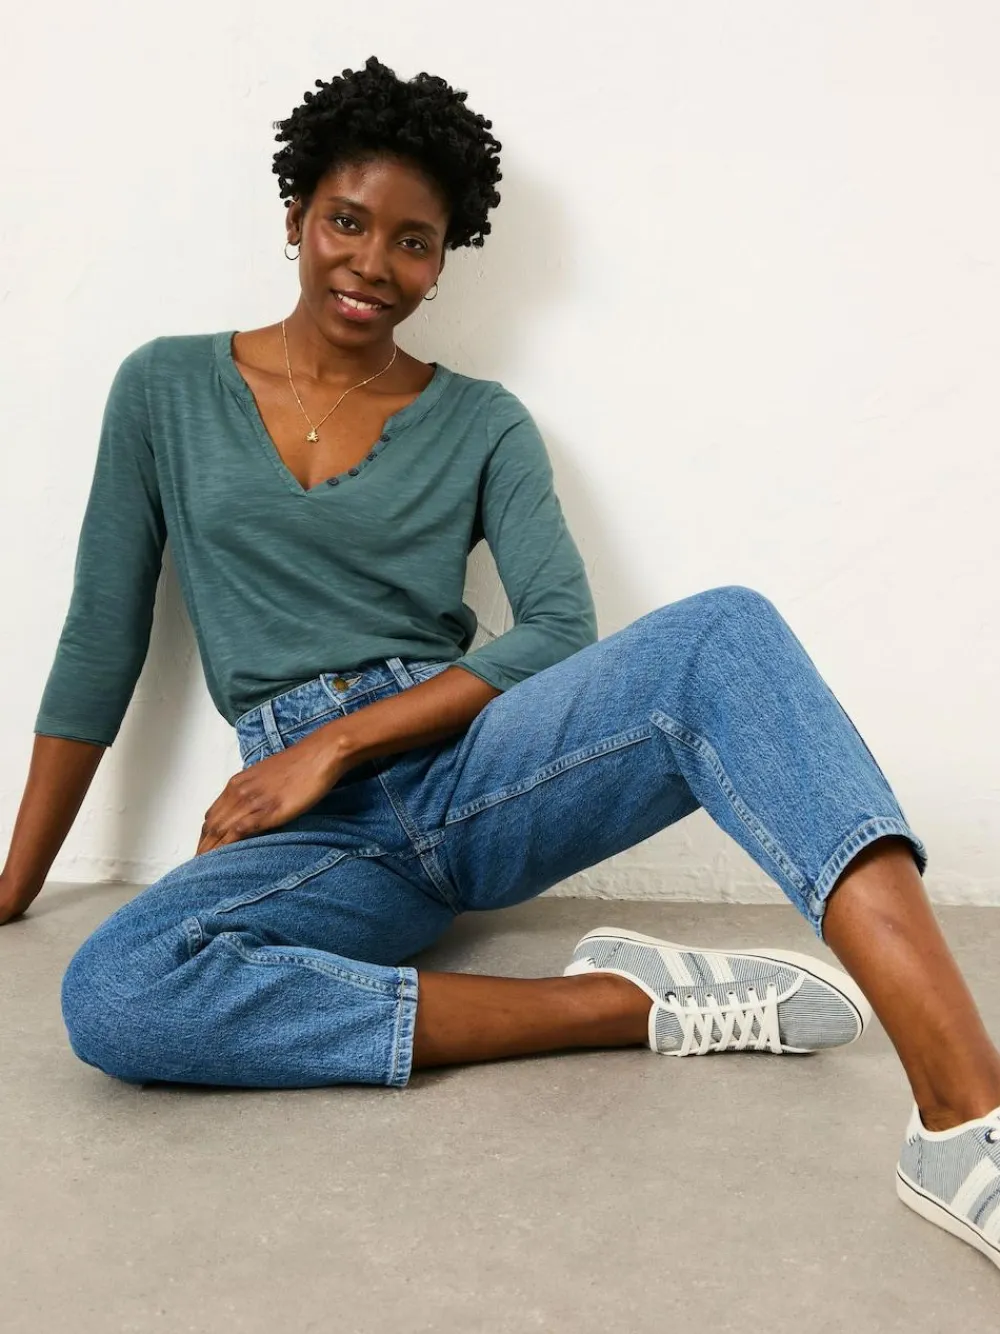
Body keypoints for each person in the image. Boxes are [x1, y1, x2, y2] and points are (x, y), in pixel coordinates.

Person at [2, 56, 998, 1273]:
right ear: (295, 215)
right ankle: (626, 1002)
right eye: (347, 222)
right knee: (116, 990)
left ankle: (966, 1117)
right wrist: (15, 883)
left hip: (472, 771)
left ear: (443, 259)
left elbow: (557, 627)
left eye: (413, 242)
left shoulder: (482, 421)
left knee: (723, 634)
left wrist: (339, 740)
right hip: (319, 838)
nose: (374, 262)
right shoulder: (163, 387)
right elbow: (99, 635)